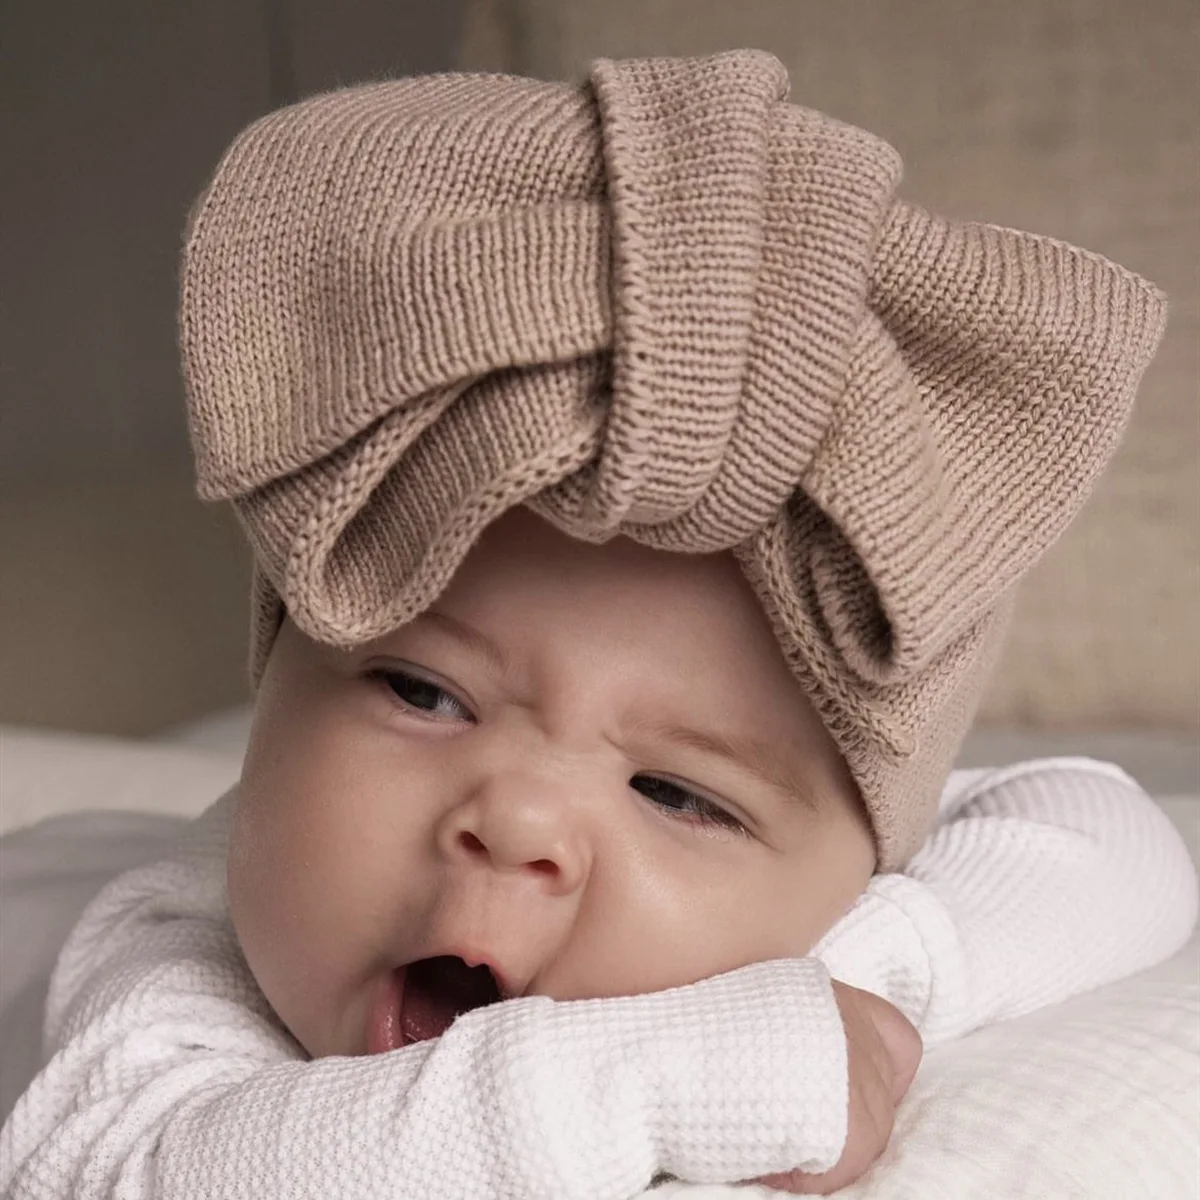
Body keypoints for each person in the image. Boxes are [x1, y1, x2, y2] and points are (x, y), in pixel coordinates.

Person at [1, 49, 1196, 1199]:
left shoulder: (830, 905)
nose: (518, 820)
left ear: (851, 871)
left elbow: (1118, 837)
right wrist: (686, 1064)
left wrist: (852, 980)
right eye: (422, 692)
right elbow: (127, 1172)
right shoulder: (186, 936)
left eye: (678, 794)